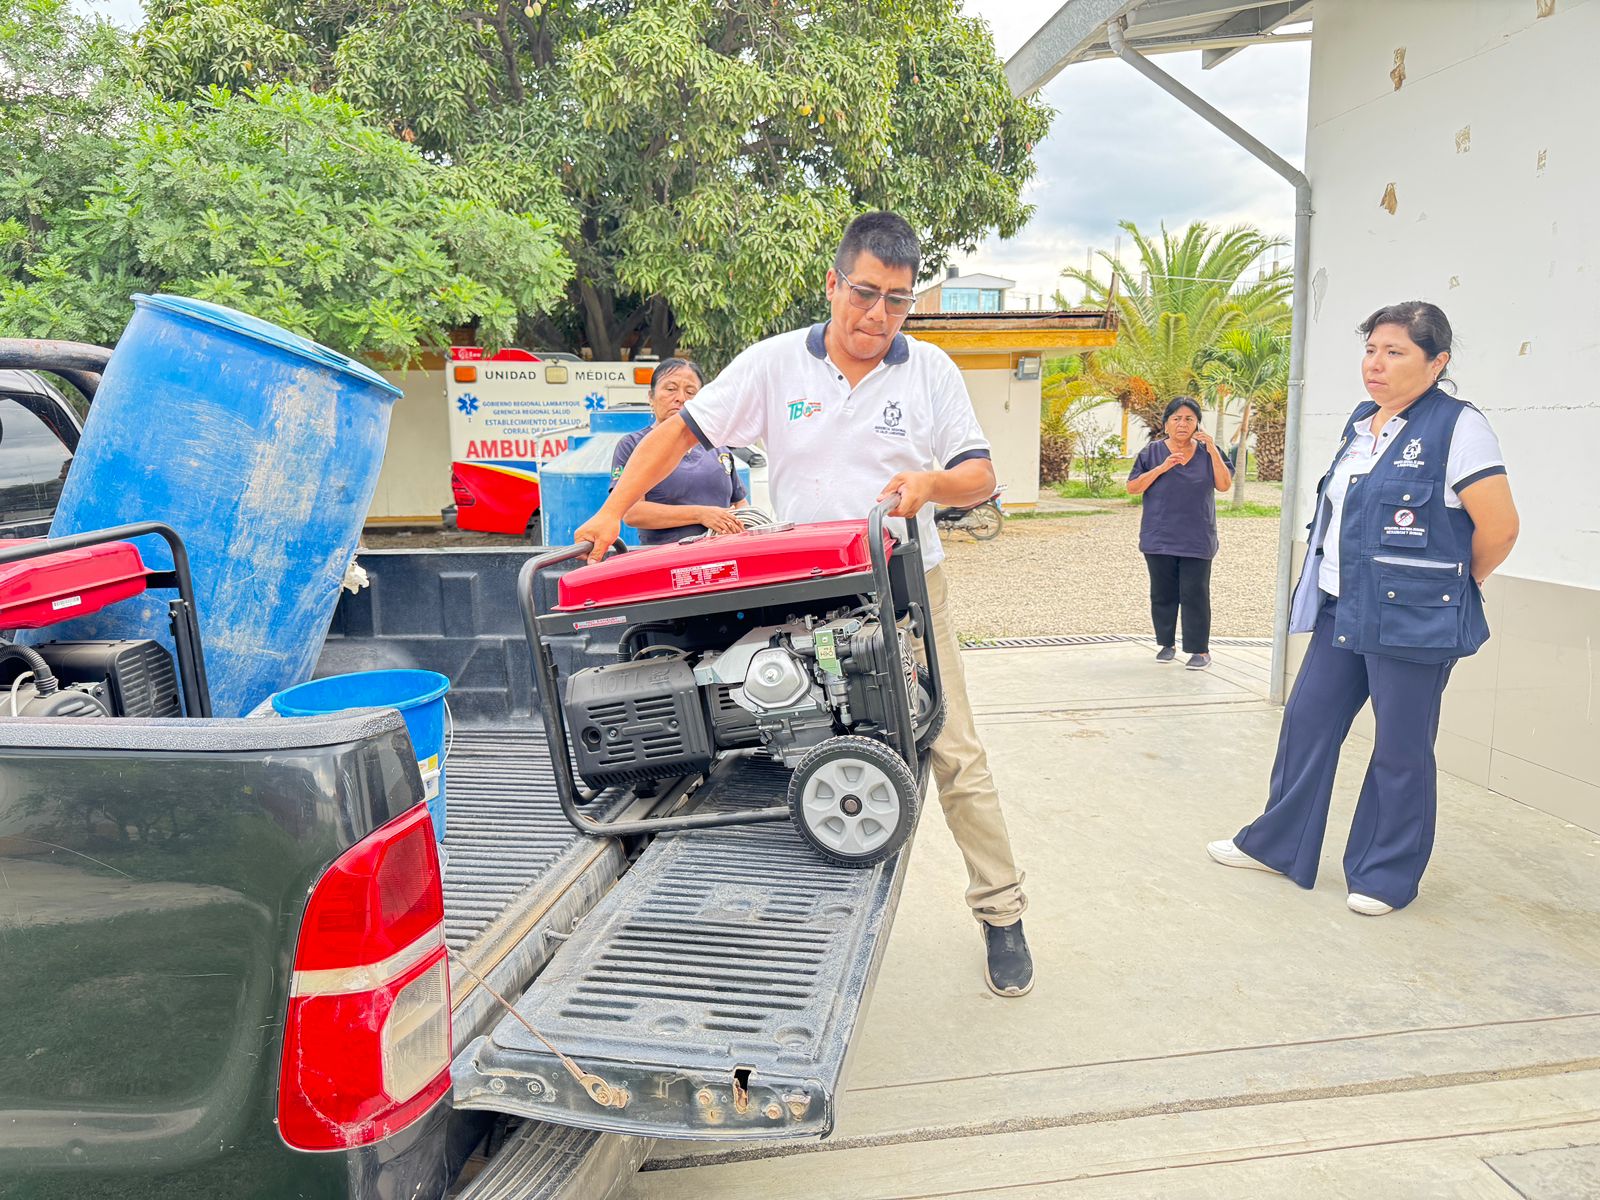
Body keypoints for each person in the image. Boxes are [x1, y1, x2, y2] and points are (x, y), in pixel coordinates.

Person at [574, 212, 1034, 997]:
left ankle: (1002, 912)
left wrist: (931, 485)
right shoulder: (773, 365)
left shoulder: (929, 373)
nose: (877, 316)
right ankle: (790, 916)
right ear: (832, 283)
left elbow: (981, 475)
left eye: (897, 300)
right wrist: (614, 509)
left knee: (953, 749)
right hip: (804, 591)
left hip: (908, 590)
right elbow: (681, 434)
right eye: (864, 294)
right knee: (785, 729)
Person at [1207, 301, 1519, 915]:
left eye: (1395, 352)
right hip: (1341, 610)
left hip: (1413, 619)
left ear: (1438, 362)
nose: (1376, 364)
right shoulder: (1361, 423)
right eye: (1371, 350)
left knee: (1400, 748)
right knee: (1307, 725)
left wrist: (1455, 585)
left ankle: (1385, 874)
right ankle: (1276, 844)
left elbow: (1501, 528)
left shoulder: (1458, 428)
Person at [1126, 397, 1233, 669]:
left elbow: (1223, 485)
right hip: (1159, 537)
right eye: (1176, 419)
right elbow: (1133, 487)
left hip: (1197, 537)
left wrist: (1212, 450)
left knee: (1195, 593)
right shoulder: (1151, 453)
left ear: (1198, 423)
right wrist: (1163, 468)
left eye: (1189, 419)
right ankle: (1166, 643)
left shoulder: (1211, 451)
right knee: (1162, 593)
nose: (1182, 424)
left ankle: (1200, 650)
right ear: (1166, 424)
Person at [611, 359, 748, 543]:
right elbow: (631, 512)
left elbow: (739, 503)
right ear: (651, 397)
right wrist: (701, 514)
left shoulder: (718, 447)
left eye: (690, 392)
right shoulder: (632, 445)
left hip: (720, 557)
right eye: (670, 389)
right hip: (665, 561)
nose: (681, 398)